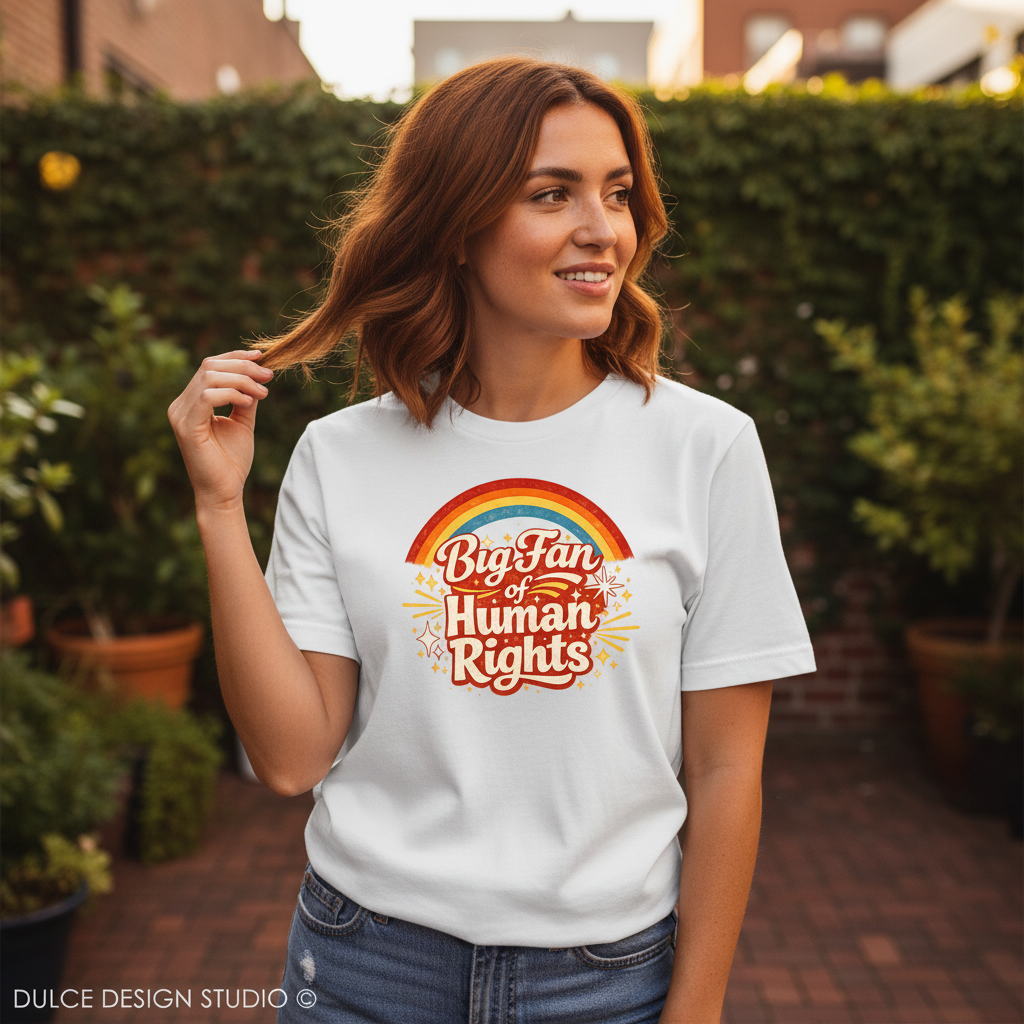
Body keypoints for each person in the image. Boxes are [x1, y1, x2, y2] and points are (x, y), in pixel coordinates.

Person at [168, 57, 815, 1024]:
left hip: (608, 980)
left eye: (618, 194)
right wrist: (220, 508)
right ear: (456, 227)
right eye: (552, 194)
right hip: (364, 968)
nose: (603, 229)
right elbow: (292, 759)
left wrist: (695, 1012)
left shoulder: (707, 447)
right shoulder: (339, 456)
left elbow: (726, 772)